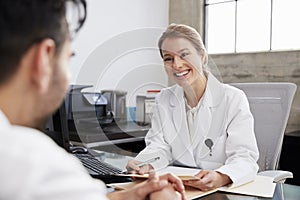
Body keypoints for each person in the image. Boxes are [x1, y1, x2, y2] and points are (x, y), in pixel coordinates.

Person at [0, 1, 186, 200]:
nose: (177, 65)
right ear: (43, 58)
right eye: (67, 58)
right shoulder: (34, 165)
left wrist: (123, 197)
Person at [126, 23, 260, 191]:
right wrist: (145, 164)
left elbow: (244, 157)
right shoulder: (164, 99)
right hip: (177, 188)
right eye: (169, 58)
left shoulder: (233, 98)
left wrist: (222, 176)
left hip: (220, 191)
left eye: (184, 55)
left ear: (202, 56)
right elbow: (159, 146)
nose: (177, 64)